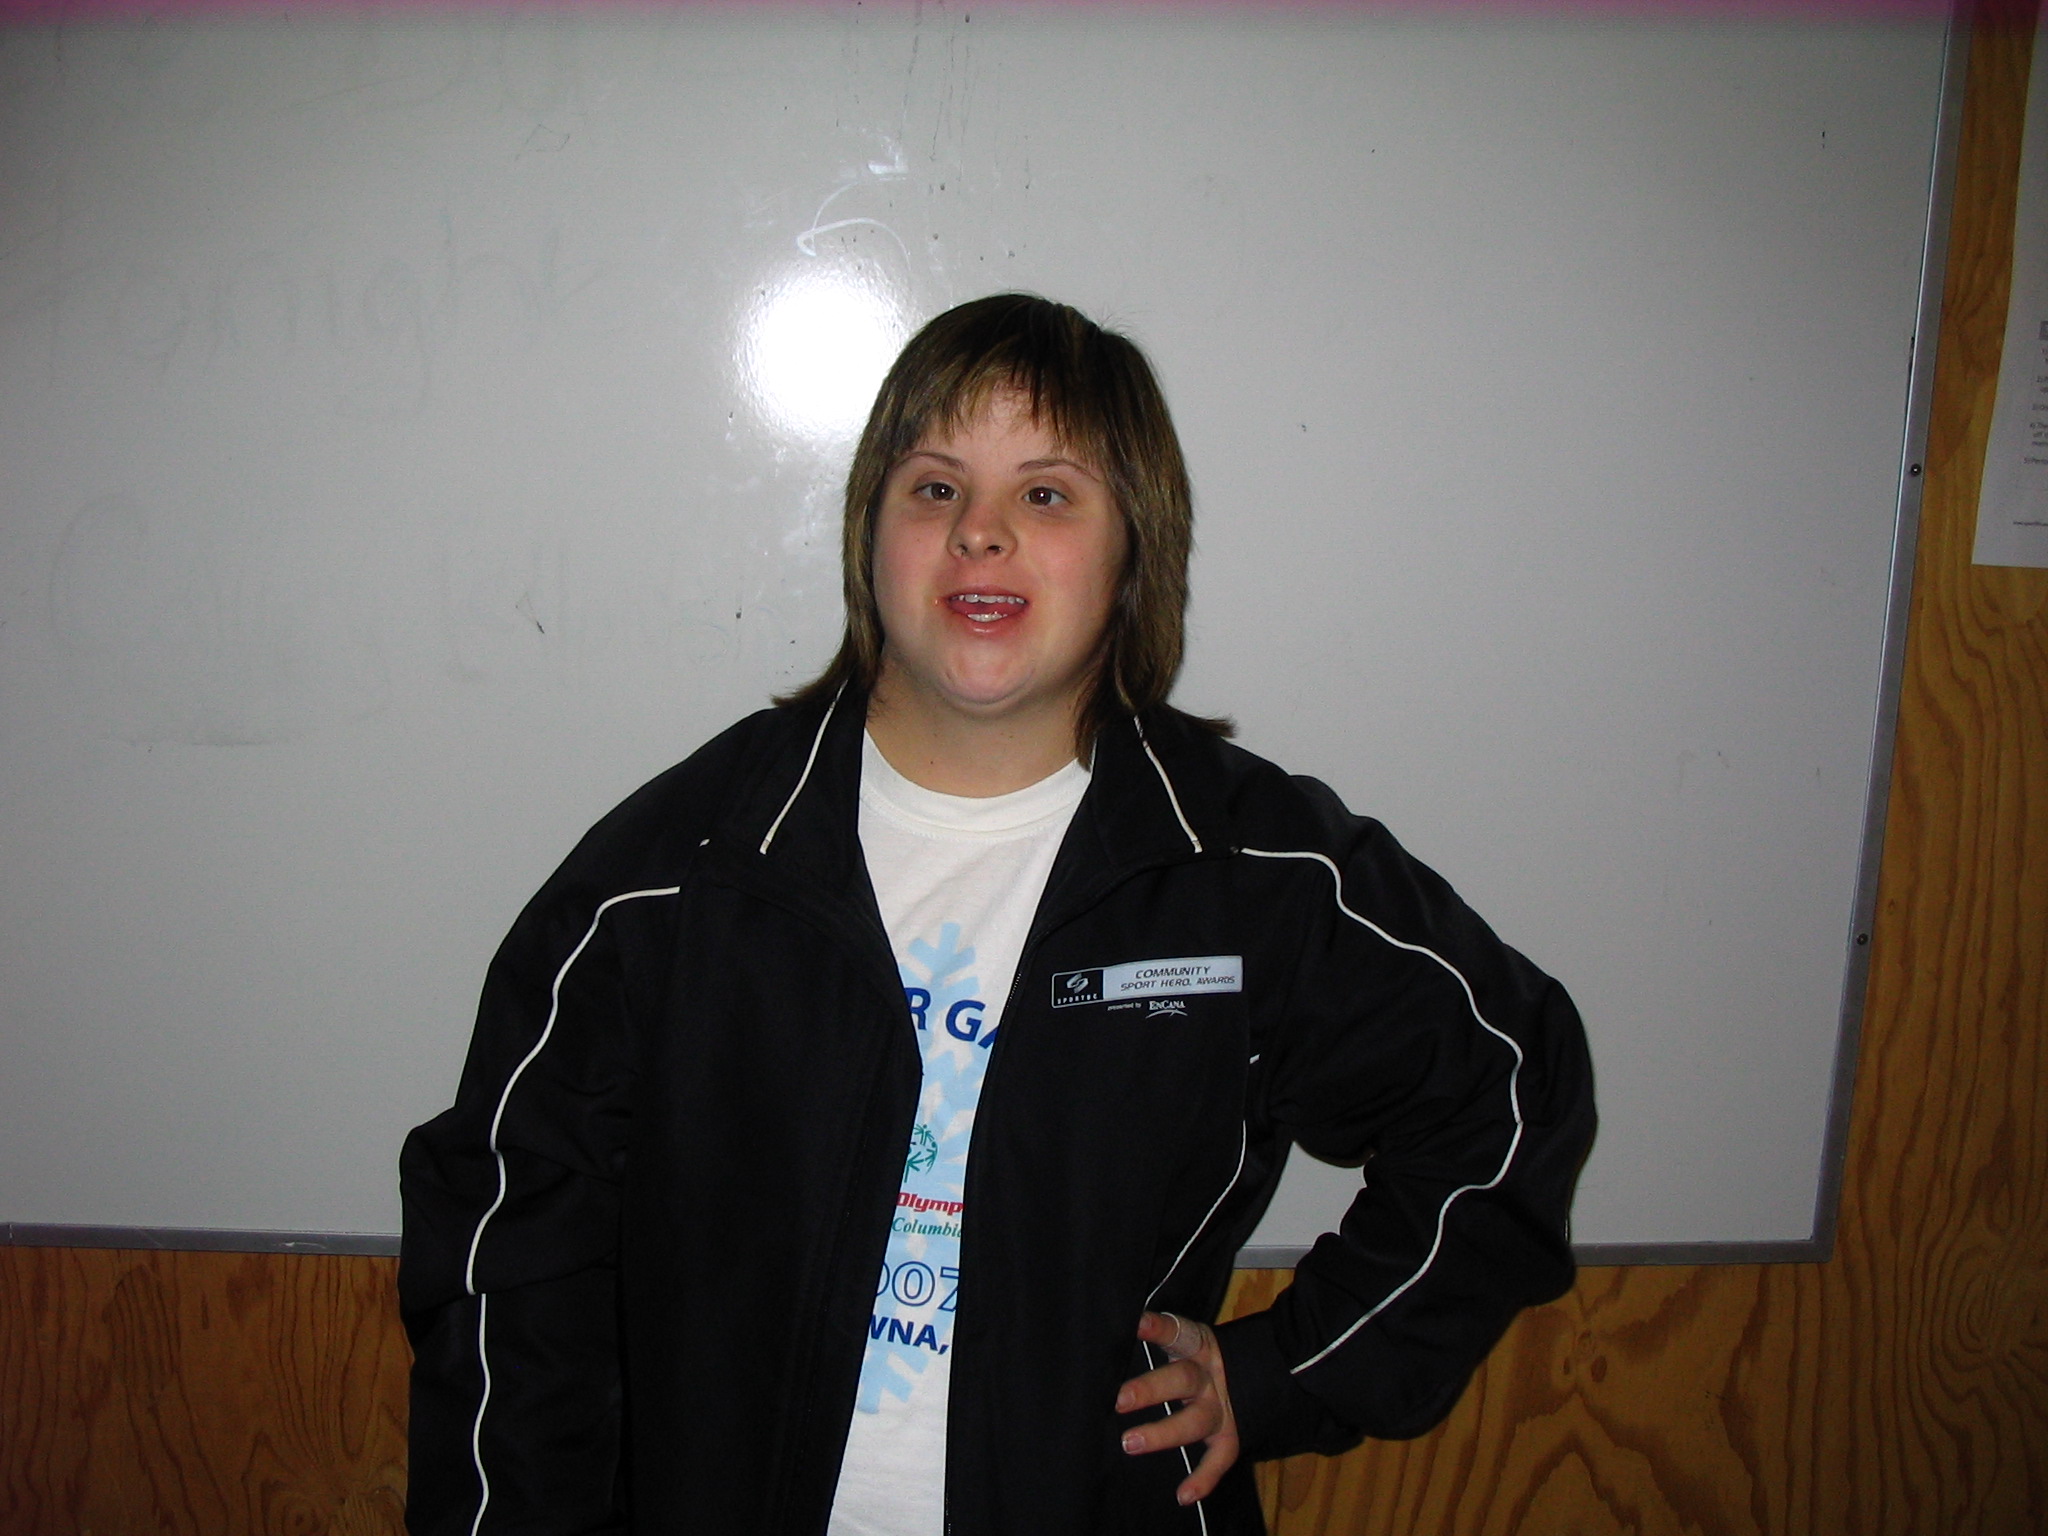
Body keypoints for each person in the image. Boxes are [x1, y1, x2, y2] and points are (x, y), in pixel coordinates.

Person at [399, 293, 1595, 1536]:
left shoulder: (1248, 877)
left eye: (1045, 494)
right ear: (869, 534)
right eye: (933, 488)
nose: (979, 531)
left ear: (1133, 549)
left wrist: (1281, 1372)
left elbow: (1513, 1095)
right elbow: (504, 1250)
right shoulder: (680, 875)